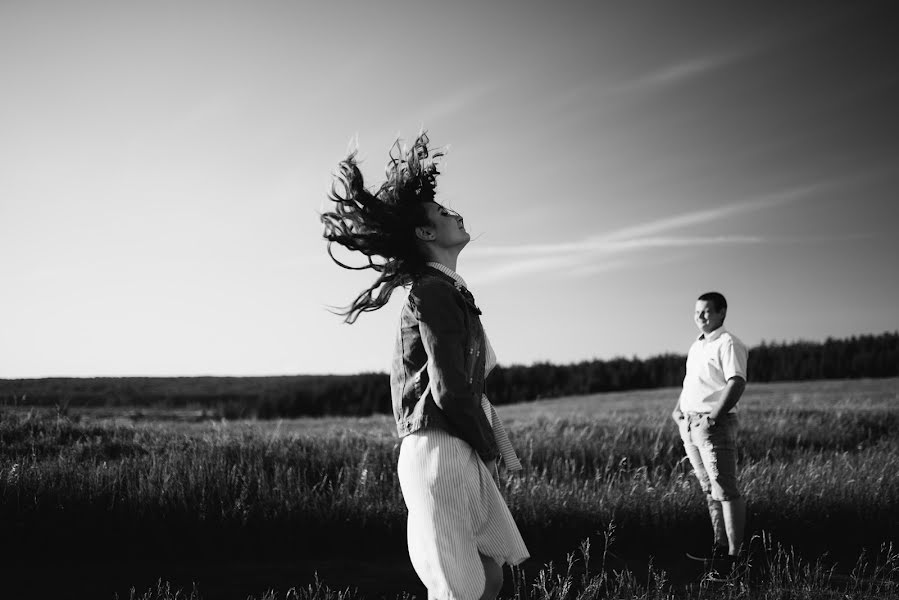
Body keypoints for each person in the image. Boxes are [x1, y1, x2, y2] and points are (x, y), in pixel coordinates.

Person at [321, 133, 529, 600]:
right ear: (426, 234)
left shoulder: (446, 289)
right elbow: (450, 391)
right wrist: (488, 448)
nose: (456, 213)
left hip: (453, 447)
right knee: (461, 590)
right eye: (443, 213)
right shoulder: (432, 291)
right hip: (442, 447)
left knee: (489, 578)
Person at [672, 291, 748, 568]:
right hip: (690, 424)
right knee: (708, 489)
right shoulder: (697, 346)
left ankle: (735, 558)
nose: (700, 316)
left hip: (712, 424)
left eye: (706, 311)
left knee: (725, 489)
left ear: (721, 313)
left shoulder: (728, 343)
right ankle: (719, 548)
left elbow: (736, 382)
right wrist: (677, 410)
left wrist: (713, 419)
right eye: (697, 312)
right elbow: (691, 382)